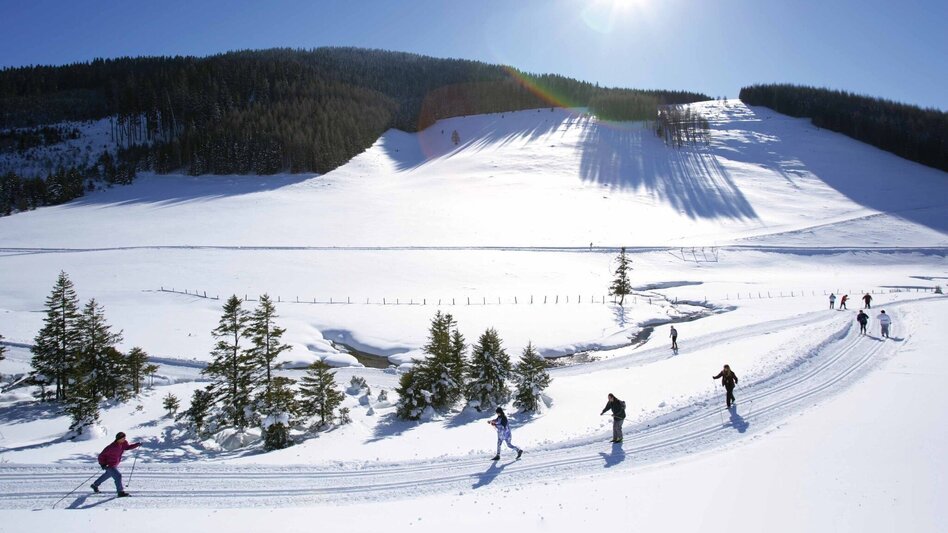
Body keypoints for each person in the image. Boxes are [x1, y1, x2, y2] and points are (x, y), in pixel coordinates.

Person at [91, 432, 141, 497]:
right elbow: (101, 456)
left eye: (124, 437)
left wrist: (137, 445)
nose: (124, 439)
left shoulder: (123, 443)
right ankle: (120, 492)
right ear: (119, 438)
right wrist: (103, 464)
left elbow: (127, 447)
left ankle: (95, 485)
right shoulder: (111, 447)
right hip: (109, 465)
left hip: (114, 464)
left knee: (107, 475)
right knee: (118, 476)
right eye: (123, 438)